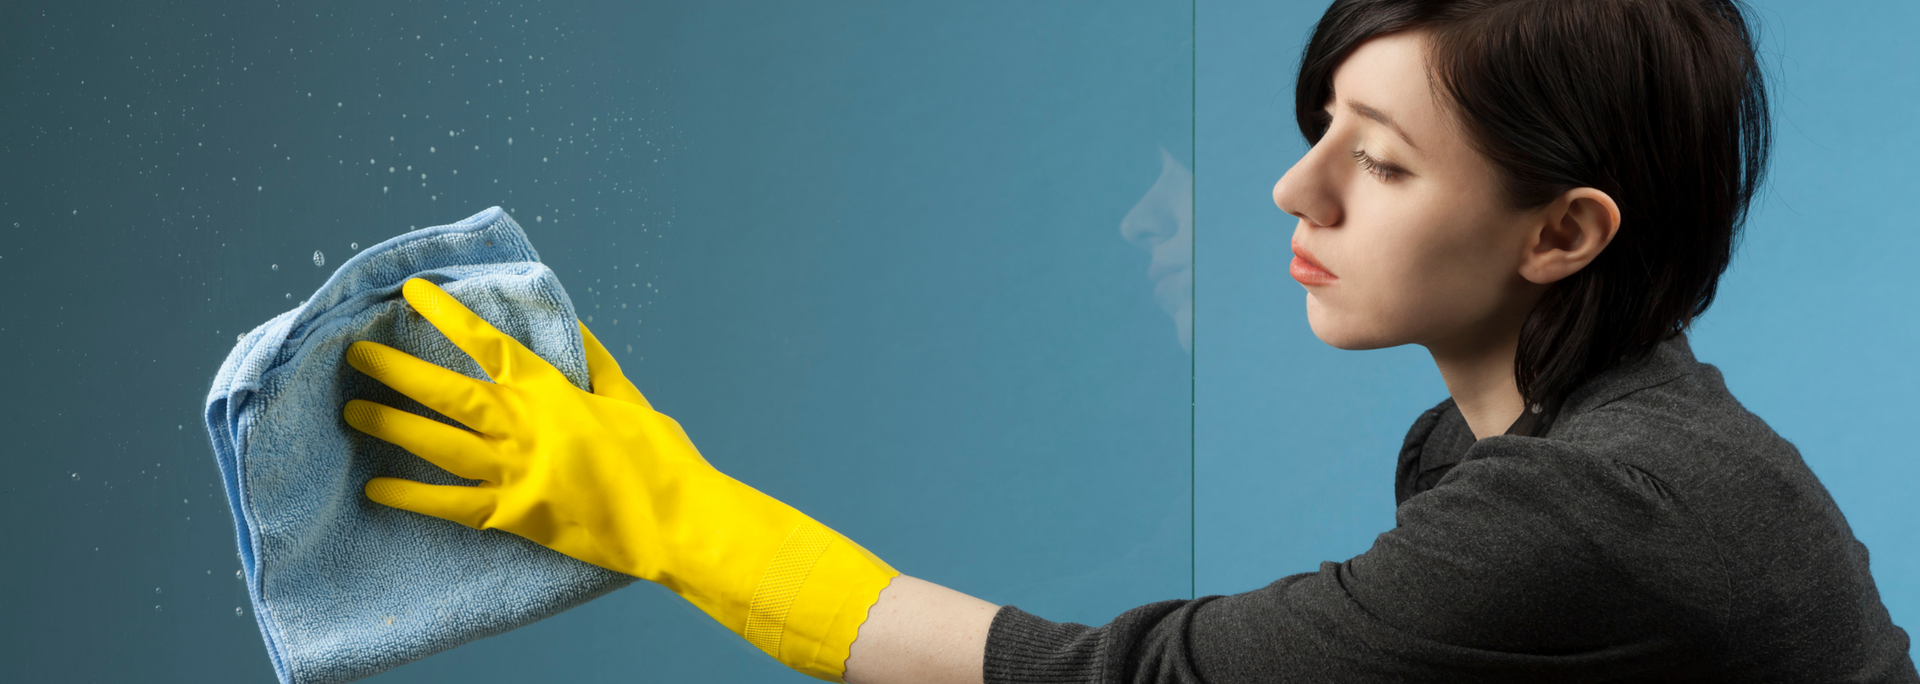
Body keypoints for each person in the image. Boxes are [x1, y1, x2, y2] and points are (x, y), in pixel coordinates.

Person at [337, 0, 1919, 681]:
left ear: (1563, 233)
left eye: (1378, 162)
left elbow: (1121, 683)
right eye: (1321, 127)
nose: (1294, 188)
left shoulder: (1599, 510)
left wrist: (672, 517)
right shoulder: (1517, 439)